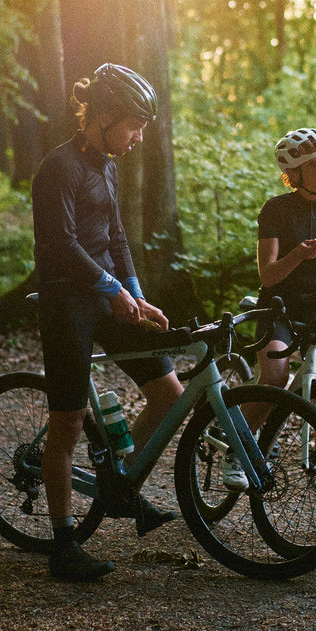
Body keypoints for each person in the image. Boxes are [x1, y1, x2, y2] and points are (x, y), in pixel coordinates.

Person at [32, 63, 184, 582]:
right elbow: (63, 245)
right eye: (133, 125)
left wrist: (137, 298)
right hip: (65, 301)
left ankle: (120, 486)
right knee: (68, 424)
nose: (139, 136)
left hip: (107, 295)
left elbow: (117, 238)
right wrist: (113, 290)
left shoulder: (109, 164)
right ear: (100, 116)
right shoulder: (58, 168)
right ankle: (63, 542)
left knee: (168, 392)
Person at [221, 127, 316, 489]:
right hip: (278, 309)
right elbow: (268, 275)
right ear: (295, 173)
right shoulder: (275, 210)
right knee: (274, 380)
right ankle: (236, 450)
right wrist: (298, 255)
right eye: (315, 163)